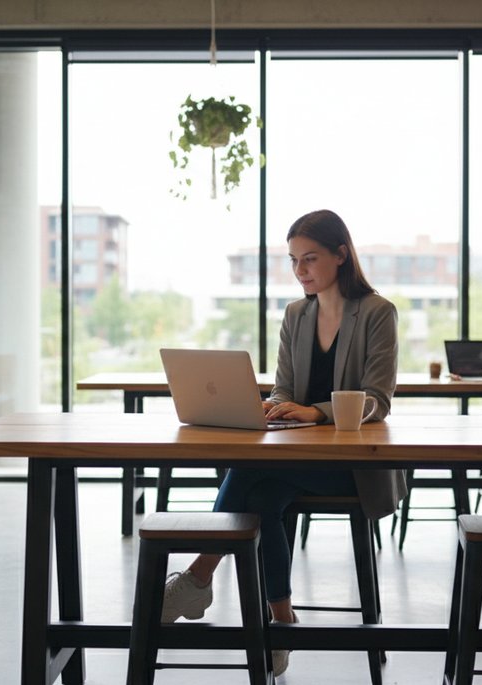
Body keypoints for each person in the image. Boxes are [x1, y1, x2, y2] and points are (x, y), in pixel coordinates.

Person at [160, 209, 404, 677]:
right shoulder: (296, 314)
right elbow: (283, 389)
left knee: (249, 470)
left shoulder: (377, 312)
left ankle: (198, 575)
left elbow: (378, 400)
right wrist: (276, 407)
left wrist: (316, 413)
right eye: (293, 261)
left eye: (309, 259)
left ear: (341, 254)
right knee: (262, 498)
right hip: (293, 455)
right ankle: (282, 622)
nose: (301, 271)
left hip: (350, 463)